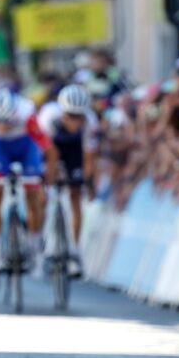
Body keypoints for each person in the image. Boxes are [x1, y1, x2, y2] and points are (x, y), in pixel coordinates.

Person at [0, 88, 50, 290]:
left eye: (7, 122)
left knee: (33, 195)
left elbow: (44, 145)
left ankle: (35, 248)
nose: (3, 126)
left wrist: (45, 177)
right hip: (0, 150)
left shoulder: (26, 112)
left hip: (26, 148)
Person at [37, 84, 100, 277]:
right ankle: (43, 240)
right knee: (42, 195)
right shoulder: (48, 117)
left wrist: (88, 181)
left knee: (75, 194)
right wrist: (47, 177)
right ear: (62, 111)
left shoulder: (90, 120)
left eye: (78, 117)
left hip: (74, 150)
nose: (74, 121)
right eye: (70, 116)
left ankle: (74, 250)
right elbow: (43, 151)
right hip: (50, 148)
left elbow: (89, 154)